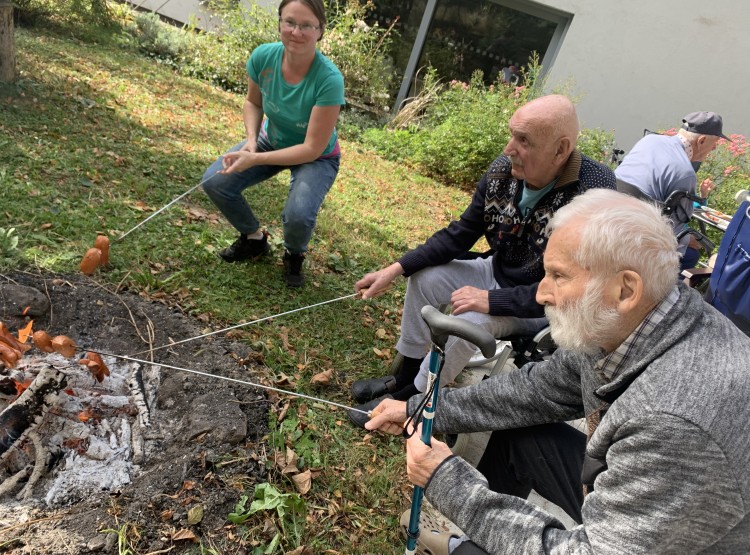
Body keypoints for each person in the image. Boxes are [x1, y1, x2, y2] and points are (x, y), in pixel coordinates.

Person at [366, 189, 750, 554]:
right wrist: (422, 407)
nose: (541, 293)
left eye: (558, 276)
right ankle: (474, 540)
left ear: (625, 289)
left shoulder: (676, 422)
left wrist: (446, 480)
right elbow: (538, 392)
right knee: (517, 437)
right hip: (644, 498)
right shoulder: (635, 318)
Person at [348, 94, 616, 427]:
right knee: (425, 278)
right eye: (512, 134)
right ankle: (404, 376)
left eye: (523, 140)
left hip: (541, 305)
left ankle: (413, 402)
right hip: (496, 270)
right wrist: (397, 268)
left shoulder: (595, 194)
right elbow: (461, 233)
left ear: (561, 150)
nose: (508, 148)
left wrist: (490, 300)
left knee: (470, 318)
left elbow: (569, 290)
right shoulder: (504, 171)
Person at [201, 0, 345, 288]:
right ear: (279, 22)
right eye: (289, 22)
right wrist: (252, 142)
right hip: (269, 140)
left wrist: (255, 159)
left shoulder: (329, 80)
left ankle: (294, 253)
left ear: (320, 31)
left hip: (315, 156)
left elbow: (311, 148)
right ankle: (254, 239)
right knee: (215, 181)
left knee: (298, 215)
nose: (296, 31)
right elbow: (253, 102)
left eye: (307, 25)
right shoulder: (263, 57)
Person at [615, 111, 729, 270]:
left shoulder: (649, 140)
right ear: (702, 141)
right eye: (715, 142)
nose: (715, 147)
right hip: (636, 240)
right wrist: (688, 240)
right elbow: (674, 229)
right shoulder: (685, 172)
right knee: (691, 254)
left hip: (608, 215)